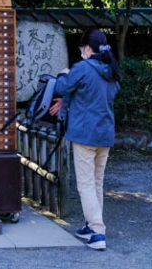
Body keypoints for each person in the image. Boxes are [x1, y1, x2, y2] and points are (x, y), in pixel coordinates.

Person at [50, 28, 121, 251]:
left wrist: (63, 74)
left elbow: (61, 87)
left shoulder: (82, 68)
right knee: (96, 182)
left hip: (84, 135)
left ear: (88, 48)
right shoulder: (111, 71)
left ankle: (98, 233)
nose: (81, 51)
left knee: (86, 184)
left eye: (82, 47)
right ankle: (92, 226)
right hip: (105, 134)